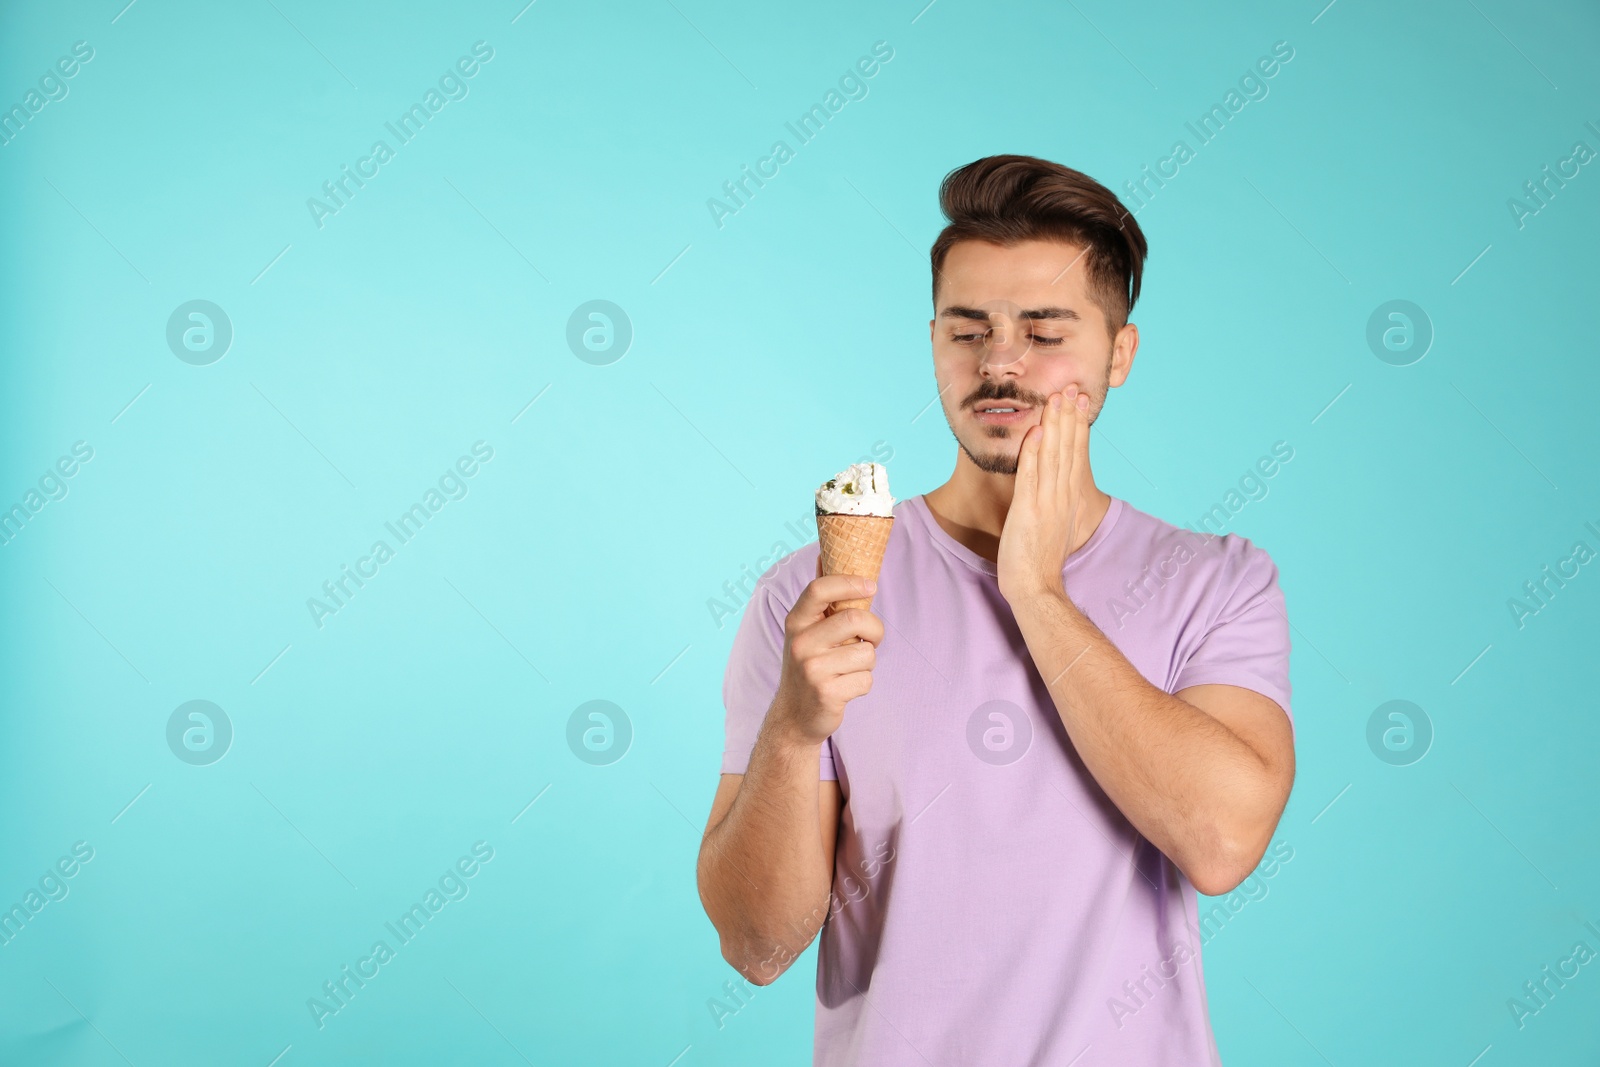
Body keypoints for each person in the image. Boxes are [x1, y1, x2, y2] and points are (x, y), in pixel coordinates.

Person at [696, 153, 1295, 1065]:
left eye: (1045, 332)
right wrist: (790, 728)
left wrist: (1037, 591)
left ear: (1119, 353)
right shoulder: (811, 597)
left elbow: (1219, 842)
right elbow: (757, 945)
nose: (1000, 363)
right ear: (932, 339)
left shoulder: (1216, 582)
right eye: (966, 331)